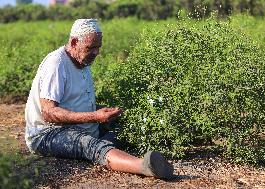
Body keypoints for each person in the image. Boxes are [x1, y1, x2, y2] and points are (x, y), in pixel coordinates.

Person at [25, 18, 173, 179]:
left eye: (98, 47)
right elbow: (48, 112)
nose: (96, 52)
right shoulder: (57, 63)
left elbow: (76, 102)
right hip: (48, 134)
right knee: (88, 145)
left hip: (82, 127)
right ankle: (145, 166)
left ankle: (114, 149)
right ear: (74, 42)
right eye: (91, 47)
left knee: (129, 125)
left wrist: (103, 112)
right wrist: (95, 116)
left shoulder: (83, 62)